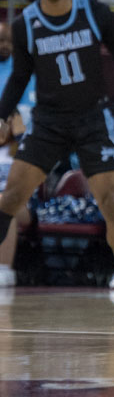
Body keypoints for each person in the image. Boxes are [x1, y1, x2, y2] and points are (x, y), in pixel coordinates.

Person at [0, 0, 114, 310]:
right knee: (9, 200)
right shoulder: (25, 25)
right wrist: (2, 114)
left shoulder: (94, 12)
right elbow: (20, 76)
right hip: (48, 122)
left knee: (112, 202)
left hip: (92, 120)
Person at [0, 110, 28, 287]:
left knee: (5, 202)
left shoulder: (22, 150)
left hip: (23, 204)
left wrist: (20, 135)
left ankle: (4, 269)